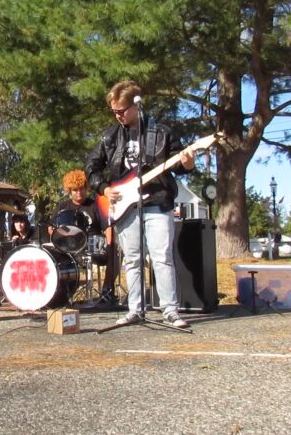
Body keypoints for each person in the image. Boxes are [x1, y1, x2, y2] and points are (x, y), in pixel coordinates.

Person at [85, 80, 195, 328]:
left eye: (122, 110)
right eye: (114, 111)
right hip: (126, 205)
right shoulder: (109, 136)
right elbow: (92, 167)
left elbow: (184, 166)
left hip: (157, 201)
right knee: (132, 259)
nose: (118, 116)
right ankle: (135, 309)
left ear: (136, 105)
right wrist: (104, 188)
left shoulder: (162, 133)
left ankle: (170, 310)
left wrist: (188, 162)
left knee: (161, 257)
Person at [51, 169, 118, 303]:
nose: (79, 192)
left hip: (94, 246)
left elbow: (108, 227)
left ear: (86, 188)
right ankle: (63, 294)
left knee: (115, 254)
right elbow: (51, 227)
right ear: (69, 191)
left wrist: (110, 244)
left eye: (81, 189)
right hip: (69, 248)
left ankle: (107, 290)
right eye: (75, 190)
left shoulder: (95, 205)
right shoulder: (63, 206)